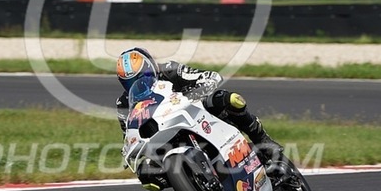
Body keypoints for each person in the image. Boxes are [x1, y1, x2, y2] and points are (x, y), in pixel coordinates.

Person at [116, 46, 282, 157]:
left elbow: (211, 76)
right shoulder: (123, 103)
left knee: (229, 99)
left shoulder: (170, 70)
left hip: (195, 112)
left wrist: (196, 92)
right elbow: (128, 137)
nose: (138, 84)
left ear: (151, 67)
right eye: (129, 83)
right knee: (146, 171)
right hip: (163, 134)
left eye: (142, 77)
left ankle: (262, 139)